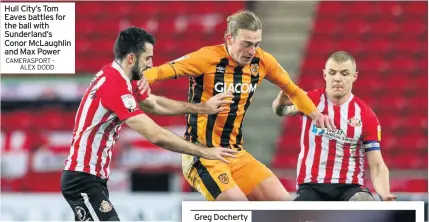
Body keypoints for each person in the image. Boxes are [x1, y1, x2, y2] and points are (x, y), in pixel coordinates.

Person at [143, 10, 335, 201]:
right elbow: (159, 72)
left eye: (256, 44)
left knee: (285, 207)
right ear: (229, 38)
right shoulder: (206, 57)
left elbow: (293, 91)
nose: (252, 51)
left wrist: (316, 115)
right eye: (246, 44)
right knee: (239, 207)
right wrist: (139, 82)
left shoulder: (262, 61)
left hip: (236, 154)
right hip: (202, 156)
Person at [61, 27, 238, 221]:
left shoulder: (121, 77)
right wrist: (205, 152)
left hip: (93, 178)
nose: (151, 64)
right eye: (147, 58)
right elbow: (156, 135)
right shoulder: (114, 85)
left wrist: (203, 108)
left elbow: (153, 103)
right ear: (131, 59)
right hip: (81, 179)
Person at [272, 51, 396, 201]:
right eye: (332, 73)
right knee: (299, 213)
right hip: (311, 185)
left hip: (350, 187)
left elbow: (376, 164)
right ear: (325, 75)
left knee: (365, 204)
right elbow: (281, 111)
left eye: (344, 73)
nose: (337, 78)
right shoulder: (309, 101)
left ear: (354, 76)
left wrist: (384, 193)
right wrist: (280, 102)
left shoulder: (366, 115)